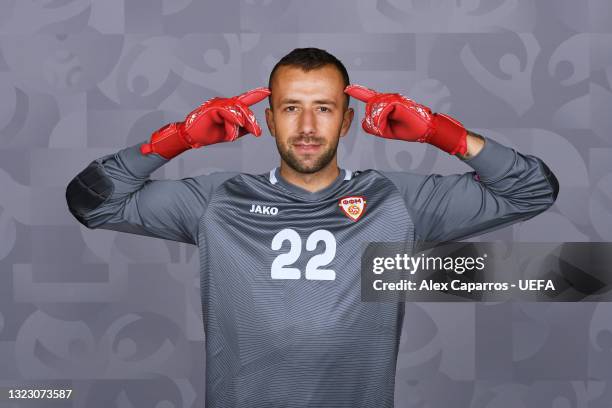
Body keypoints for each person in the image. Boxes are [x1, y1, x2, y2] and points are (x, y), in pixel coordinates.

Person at [65, 47, 559, 407]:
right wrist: (177, 140)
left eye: (323, 109)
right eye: (291, 109)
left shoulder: (396, 200)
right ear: (269, 119)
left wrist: (440, 131)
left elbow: (532, 190)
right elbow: (92, 203)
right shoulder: (219, 200)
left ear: (346, 121)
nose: (306, 126)